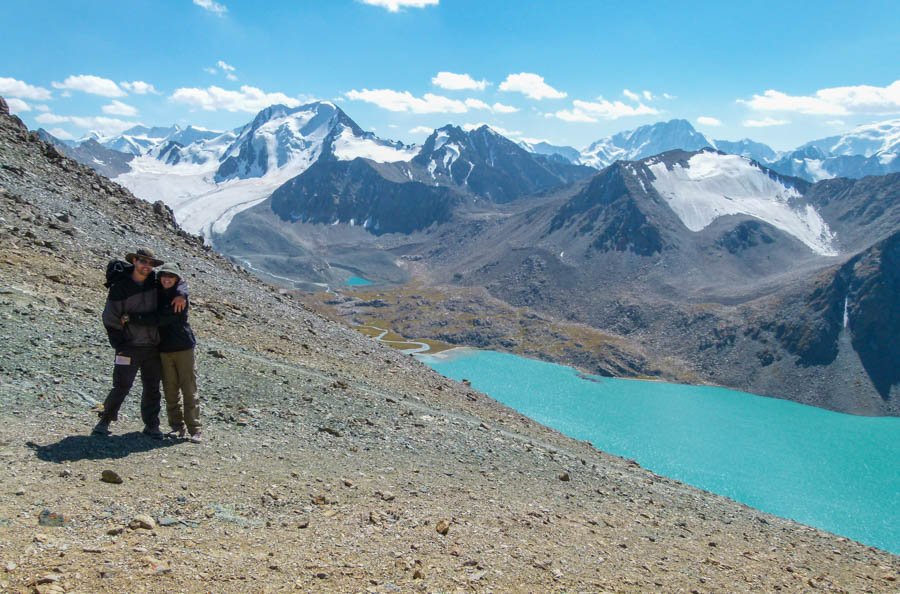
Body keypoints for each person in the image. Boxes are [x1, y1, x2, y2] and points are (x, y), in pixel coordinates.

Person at [93, 248, 186, 439]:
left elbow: (178, 281)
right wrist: (120, 341)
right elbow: (109, 317)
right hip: (129, 346)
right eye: (143, 261)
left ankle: (152, 425)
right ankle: (104, 421)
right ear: (134, 261)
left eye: (150, 263)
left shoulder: (155, 282)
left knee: (152, 387)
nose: (147, 266)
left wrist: (182, 293)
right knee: (121, 385)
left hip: (152, 346)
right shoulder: (121, 286)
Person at [124, 262, 202, 443]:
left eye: (171, 276)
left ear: (176, 279)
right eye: (164, 275)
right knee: (170, 390)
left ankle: (195, 429)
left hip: (183, 348)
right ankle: (176, 427)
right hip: (163, 349)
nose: (167, 279)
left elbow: (160, 319)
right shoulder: (157, 290)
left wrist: (133, 318)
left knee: (189, 388)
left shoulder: (179, 297)